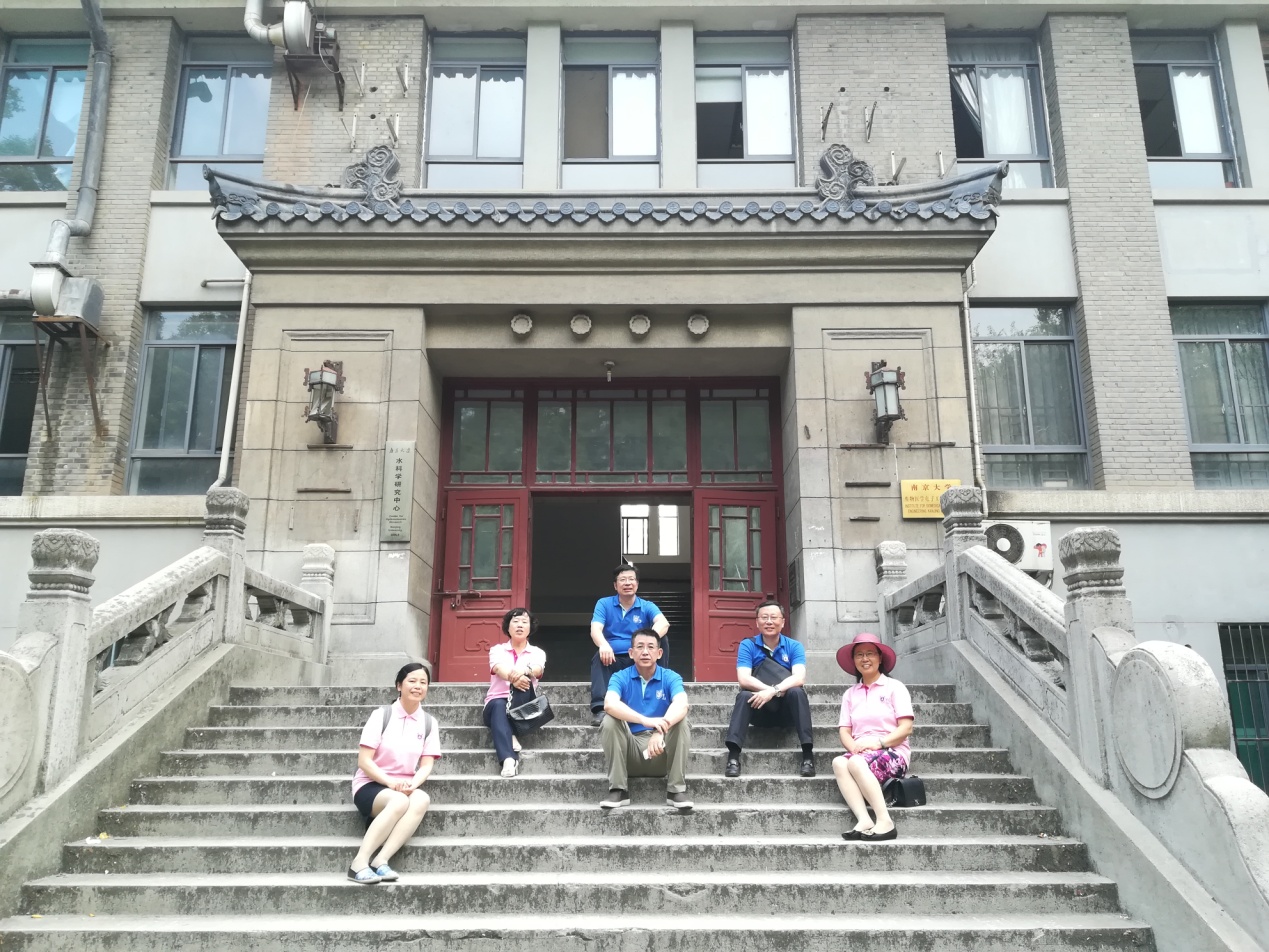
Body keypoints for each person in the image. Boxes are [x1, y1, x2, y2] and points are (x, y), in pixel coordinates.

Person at [347, 661, 442, 883]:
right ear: (399, 685)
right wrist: (391, 783)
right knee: (399, 801)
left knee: (422, 799)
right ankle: (358, 863)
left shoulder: (429, 723)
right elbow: (364, 762)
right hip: (371, 783)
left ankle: (381, 860)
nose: (418, 686)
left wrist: (413, 784)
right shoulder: (382, 715)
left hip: (404, 785)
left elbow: (426, 765)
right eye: (412, 681)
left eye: (423, 682)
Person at [598, 627, 693, 812]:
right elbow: (609, 704)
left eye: (650, 647)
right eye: (640, 647)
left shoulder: (670, 677)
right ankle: (618, 789)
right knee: (609, 720)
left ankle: (676, 791)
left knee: (682, 721)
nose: (645, 652)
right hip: (630, 753)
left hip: (662, 753)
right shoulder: (620, 677)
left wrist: (659, 730)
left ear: (659, 653)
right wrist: (645, 720)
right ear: (631, 653)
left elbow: (682, 704)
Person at [832, 632, 914, 842]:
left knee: (856, 762)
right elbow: (844, 731)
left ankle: (885, 822)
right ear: (854, 660)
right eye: (859, 655)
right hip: (861, 754)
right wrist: (854, 748)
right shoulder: (850, 694)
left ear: (880, 658)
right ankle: (864, 820)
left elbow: (906, 728)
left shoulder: (895, 687)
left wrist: (878, 743)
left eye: (870, 653)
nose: (865, 659)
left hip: (893, 752)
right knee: (839, 762)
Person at [723, 601, 815, 778]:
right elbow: (743, 679)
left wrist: (773, 691)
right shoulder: (748, 645)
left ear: (783, 621)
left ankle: (808, 756)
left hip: (787, 712)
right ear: (757, 622)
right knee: (744, 695)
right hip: (760, 709)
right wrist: (768, 691)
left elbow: (799, 678)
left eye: (774, 617)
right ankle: (733, 757)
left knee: (797, 692)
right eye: (764, 617)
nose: (769, 621)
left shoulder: (794, 646)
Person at [589, 564, 669, 725]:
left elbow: (663, 623)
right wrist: (603, 645)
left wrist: (646, 643)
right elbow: (595, 629)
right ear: (615, 585)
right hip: (613, 658)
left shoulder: (646, 606)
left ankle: (660, 691)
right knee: (599, 656)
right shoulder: (604, 604)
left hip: (639, 659)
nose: (627, 583)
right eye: (623, 579)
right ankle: (600, 709)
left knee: (662, 641)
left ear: (637, 584)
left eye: (631, 579)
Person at [484, 607, 546, 778]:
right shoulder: (497, 650)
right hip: (494, 706)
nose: (520, 625)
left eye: (524, 622)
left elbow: (538, 669)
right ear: (508, 627)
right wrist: (514, 678)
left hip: (524, 706)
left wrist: (524, 672)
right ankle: (508, 759)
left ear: (530, 627)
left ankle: (509, 732)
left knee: (524, 684)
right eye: (515, 621)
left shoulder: (537, 652)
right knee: (499, 704)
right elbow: (498, 668)